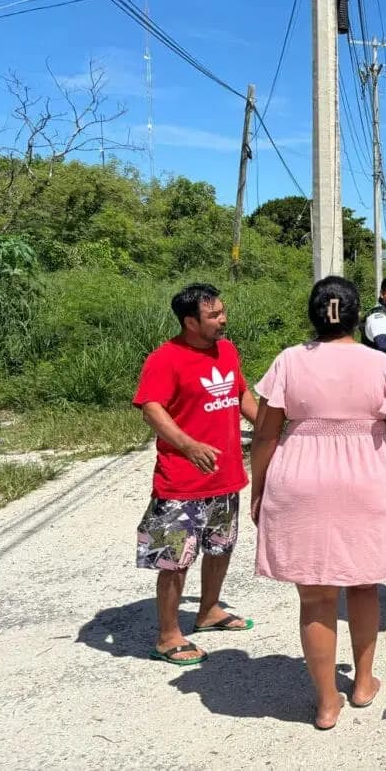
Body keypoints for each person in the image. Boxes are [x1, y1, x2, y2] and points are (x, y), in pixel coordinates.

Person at [249, 276, 386, 731]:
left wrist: (258, 487)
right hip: (367, 479)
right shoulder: (382, 363)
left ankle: (327, 703)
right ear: (358, 314)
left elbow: (266, 433)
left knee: (316, 596)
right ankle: (363, 683)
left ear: (312, 313)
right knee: (363, 584)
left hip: (300, 479)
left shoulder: (288, 361)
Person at [133, 283, 258, 667]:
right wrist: (188, 445)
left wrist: (272, 430)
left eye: (222, 311)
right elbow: (151, 408)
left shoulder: (227, 350)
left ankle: (208, 611)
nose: (223, 319)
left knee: (220, 546)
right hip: (182, 481)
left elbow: (241, 395)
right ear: (190, 321)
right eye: (214, 315)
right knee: (175, 558)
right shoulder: (165, 358)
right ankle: (168, 635)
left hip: (225, 477)